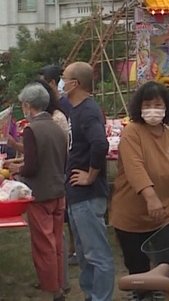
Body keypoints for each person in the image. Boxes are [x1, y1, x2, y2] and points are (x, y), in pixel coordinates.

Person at [110, 81, 169, 282]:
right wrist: (150, 197)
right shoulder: (132, 132)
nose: (153, 110)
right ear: (139, 108)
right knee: (139, 272)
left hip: (165, 215)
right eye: (147, 105)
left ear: (166, 108)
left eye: (158, 105)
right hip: (133, 216)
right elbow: (135, 167)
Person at [8, 83, 68, 301]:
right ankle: (59, 286)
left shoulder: (32, 130)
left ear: (27, 105)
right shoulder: (58, 127)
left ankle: (51, 290)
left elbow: (32, 167)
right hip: (58, 191)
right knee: (57, 243)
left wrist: (17, 169)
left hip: (40, 194)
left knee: (44, 246)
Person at [62, 61, 114, 301]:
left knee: (97, 254)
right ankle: (91, 295)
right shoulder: (75, 109)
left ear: (76, 83)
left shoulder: (88, 110)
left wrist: (91, 175)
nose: (62, 83)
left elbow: (100, 143)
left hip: (88, 195)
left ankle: (100, 297)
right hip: (76, 195)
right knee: (84, 254)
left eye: (65, 79)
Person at [37, 65, 78, 266]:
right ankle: (70, 250)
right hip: (61, 165)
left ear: (52, 83)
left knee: (68, 211)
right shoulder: (58, 105)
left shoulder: (62, 107)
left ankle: (74, 249)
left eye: (44, 82)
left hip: (65, 164)